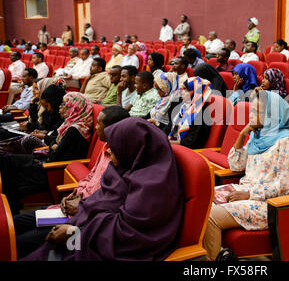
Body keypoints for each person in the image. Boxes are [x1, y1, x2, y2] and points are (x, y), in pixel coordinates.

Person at [22, 117, 184, 261]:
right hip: (85, 229)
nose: (110, 153)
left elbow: (128, 235)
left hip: (110, 247)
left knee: (28, 243)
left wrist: (75, 233)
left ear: (134, 149)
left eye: (115, 149)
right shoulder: (124, 169)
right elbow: (100, 201)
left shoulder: (153, 188)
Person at [12, 106, 130, 259]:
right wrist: (75, 193)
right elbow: (90, 176)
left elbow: (110, 208)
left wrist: (81, 206)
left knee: (22, 242)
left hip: (83, 221)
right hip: (71, 209)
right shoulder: (106, 148)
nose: (95, 126)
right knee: (15, 224)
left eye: (100, 123)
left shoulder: (125, 164)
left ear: (113, 129)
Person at [203, 89, 289, 261]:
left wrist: (250, 194)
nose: (250, 115)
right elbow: (236, 165)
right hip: (244, 191)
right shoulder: (258, 136)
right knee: (201, 199)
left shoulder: (287, 141)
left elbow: (286, 187)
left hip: (267, 204)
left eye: (257, 112)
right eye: (251, 110)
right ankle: (220, 255)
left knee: (210, 216)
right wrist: (242, 135)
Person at [0, 92, 93, 214]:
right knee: (8, 161)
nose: (60, 107)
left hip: (52, 169)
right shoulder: (70, 123)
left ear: (74, 107)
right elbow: (53, 141)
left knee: (9, 164)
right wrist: (53, 145)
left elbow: (55, 155)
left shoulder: (75, 130)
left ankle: (10, 209)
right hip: (48, 159)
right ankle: (9, 206)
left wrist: (53, 146)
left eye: (65, 104)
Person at [0, 84, 66, 154]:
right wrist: (33, 105)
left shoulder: (61, 114)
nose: (33, 91)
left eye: (37, 88)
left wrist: (40, 132)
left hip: (43, 144)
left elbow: (57, 141)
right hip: (37, 136)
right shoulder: (48, 107)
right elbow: (45, 127)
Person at [168, 77, 212, 149]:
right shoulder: (184, 106)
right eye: (183, 89)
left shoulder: (202, 114)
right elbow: (171, 124)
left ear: (196, 92)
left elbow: (191, 142)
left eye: (186, 90)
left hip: (187, 149)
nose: (182, 92)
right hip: (174, 143)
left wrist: (170, 142)